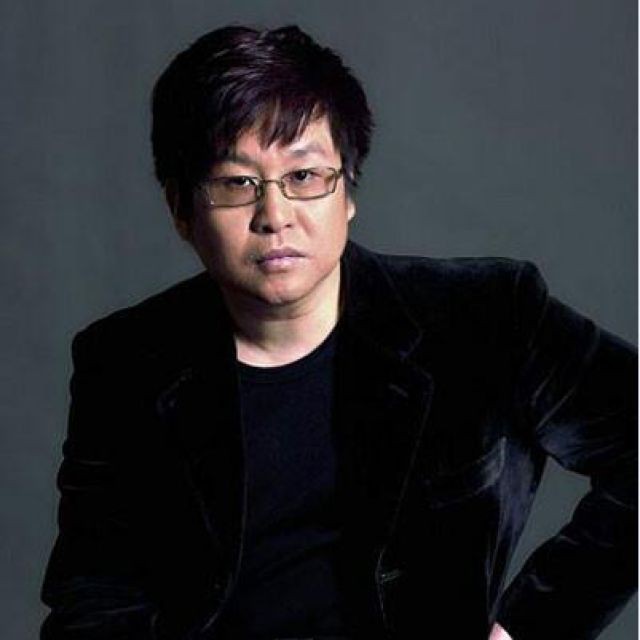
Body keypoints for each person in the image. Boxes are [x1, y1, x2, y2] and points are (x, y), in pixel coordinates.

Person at [40, 24, 637, 640]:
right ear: (180, 211)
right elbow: (95, 589)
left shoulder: (485, 317)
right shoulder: (126, 360)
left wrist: (533, 625)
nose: (275, 217)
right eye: (236, 184)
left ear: (347, 191)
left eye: (304, 177)